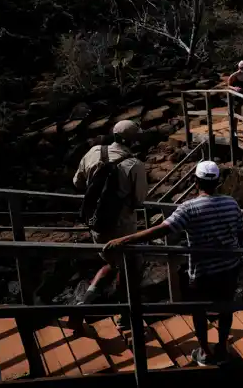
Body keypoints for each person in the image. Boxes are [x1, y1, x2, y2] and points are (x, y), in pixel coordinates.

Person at [104, 161, 243, 367]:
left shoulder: (189, 208)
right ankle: (222, 348)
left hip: (203, 270)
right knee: (225, 308)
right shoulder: (231, 203)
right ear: (218, 182)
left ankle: (204, 351)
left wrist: (124, 240)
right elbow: (239, 231)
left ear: (195, 182)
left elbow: (163, 229)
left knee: (199, 310)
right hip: (229, 266)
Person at [70, 120, 147, 331]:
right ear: (132, 140)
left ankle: (83, 304)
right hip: (122, 228)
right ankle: (124, 318)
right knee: (130, 269)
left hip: (96, 223)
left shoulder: (94, 151)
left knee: (112, 264)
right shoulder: (135, 165)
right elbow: (139, 200)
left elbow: (77, 182)